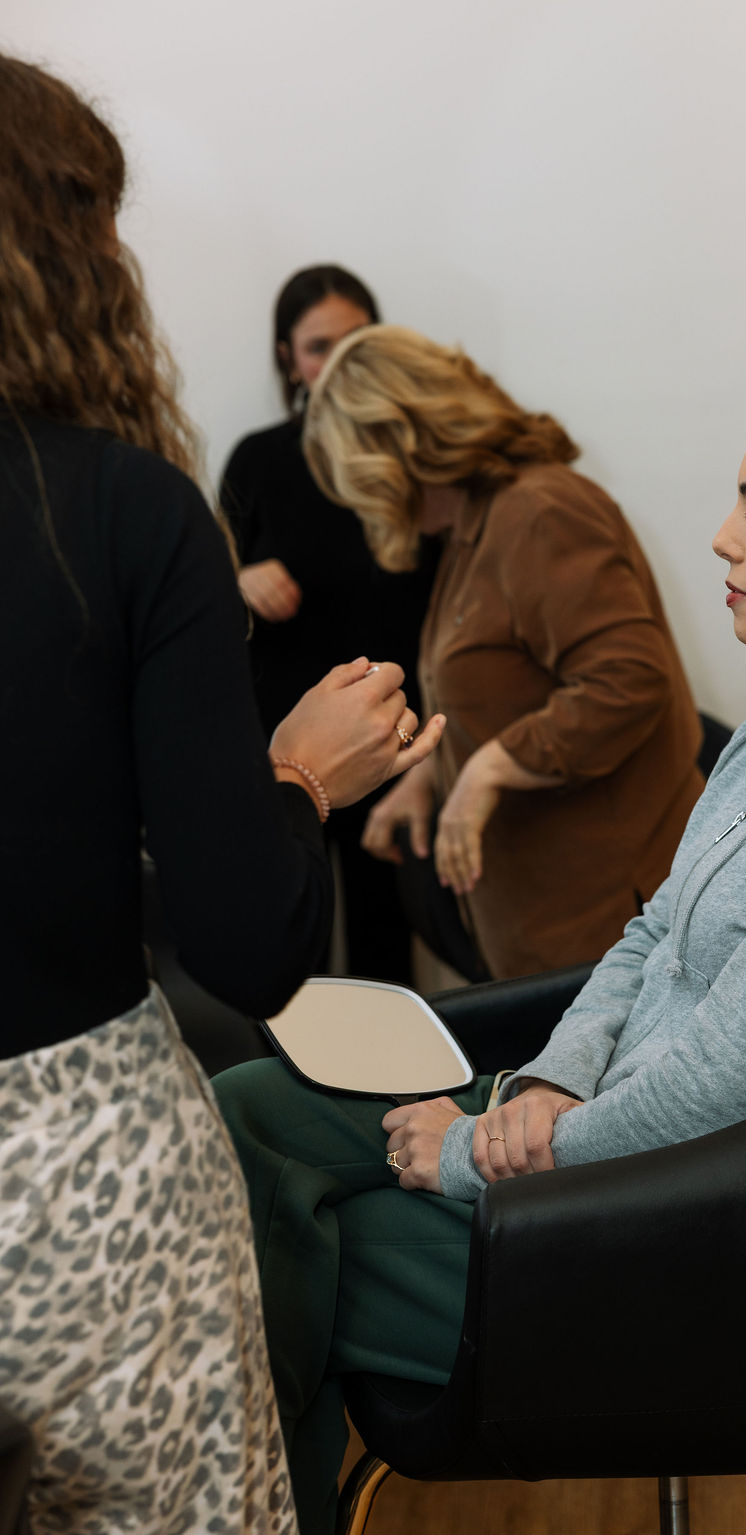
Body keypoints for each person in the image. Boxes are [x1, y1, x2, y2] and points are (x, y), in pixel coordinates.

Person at [215, 369, 746, 1534]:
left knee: (263, 1253)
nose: (718, 536)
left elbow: (726, 1083)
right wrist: (549, 1079)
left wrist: (472, 1158)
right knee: (251, 1102)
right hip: (594, 1137)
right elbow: (652, 934)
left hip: (647, 1222)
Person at [0, 55, 444, 1535]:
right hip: (83, 1188)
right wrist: (304, 774)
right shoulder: (128, 507)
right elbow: (249, 943)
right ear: (66, 247)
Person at [302, 324, 706, 978]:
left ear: (397, 447)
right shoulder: (473, 530)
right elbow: (508, 691)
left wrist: (488, 768)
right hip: (543, 925)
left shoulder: (540, 511)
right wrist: (433, 778)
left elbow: (627, 680)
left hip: (617, 927)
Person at [220, 270, 439, 981]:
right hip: (292, 744)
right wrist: (240, 581)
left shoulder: (415, 460)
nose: (339, 362)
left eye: (356, 342)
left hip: (396, 732)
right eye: (319, 347)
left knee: (388, 943)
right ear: (288, 358)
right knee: (291, 947)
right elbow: (199, 604)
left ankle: (397, 1090)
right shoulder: (257, 460)